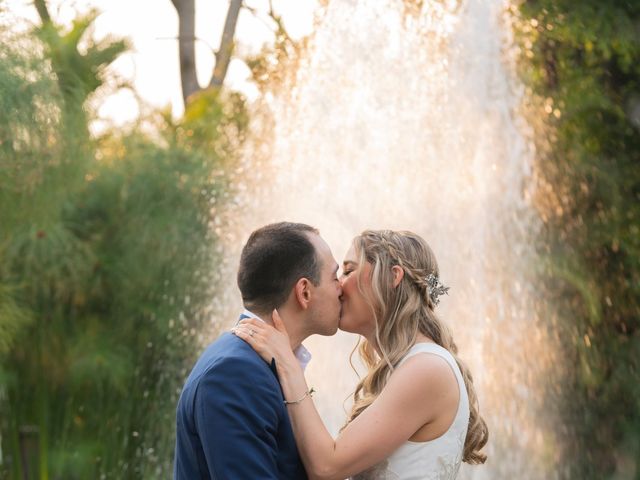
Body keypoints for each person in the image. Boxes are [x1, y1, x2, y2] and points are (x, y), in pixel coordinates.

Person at [234, 229, 489, 480]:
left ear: (393, 277)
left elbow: (327, 467)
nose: (339, 286)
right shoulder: (413, 366)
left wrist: (287, 363)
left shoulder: (427, 369)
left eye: (348, 270)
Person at [173, 222, 342, 479]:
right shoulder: (233, 373)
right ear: (304, 291)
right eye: (335, 277)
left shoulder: (259, 362)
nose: (342, 288)